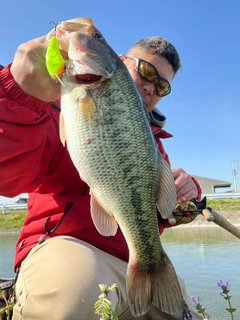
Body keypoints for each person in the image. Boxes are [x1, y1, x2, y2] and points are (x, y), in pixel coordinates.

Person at [0, 28, 208, 320]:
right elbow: (7, 174)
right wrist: (19, 94)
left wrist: (190, 192)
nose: (151, 87)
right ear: (120, 60)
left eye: (162, 87)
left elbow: (159, 213)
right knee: (72, 296)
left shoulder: (154, 144)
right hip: (67, 246)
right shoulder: (52, 105)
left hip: (132, 262)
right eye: (147, 71)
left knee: (190, 316)